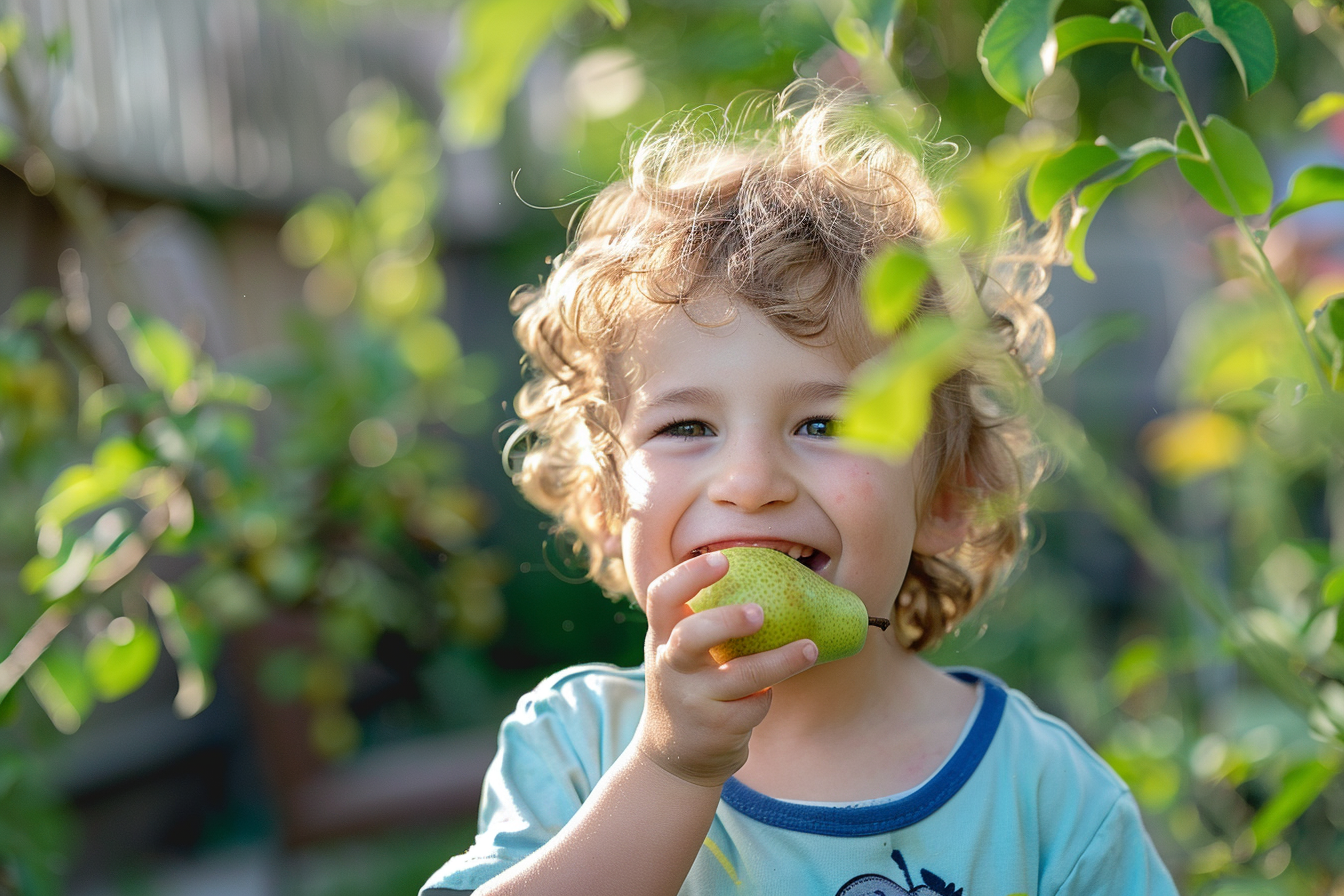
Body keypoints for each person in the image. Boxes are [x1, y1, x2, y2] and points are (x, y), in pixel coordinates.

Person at [421, 82, 1178, 896]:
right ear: (608, 503)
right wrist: (671, 769)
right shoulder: (579, 747)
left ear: (949, 496)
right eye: (686, 428)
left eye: (823, 426)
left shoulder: (1045, 798)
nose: (748, 484)